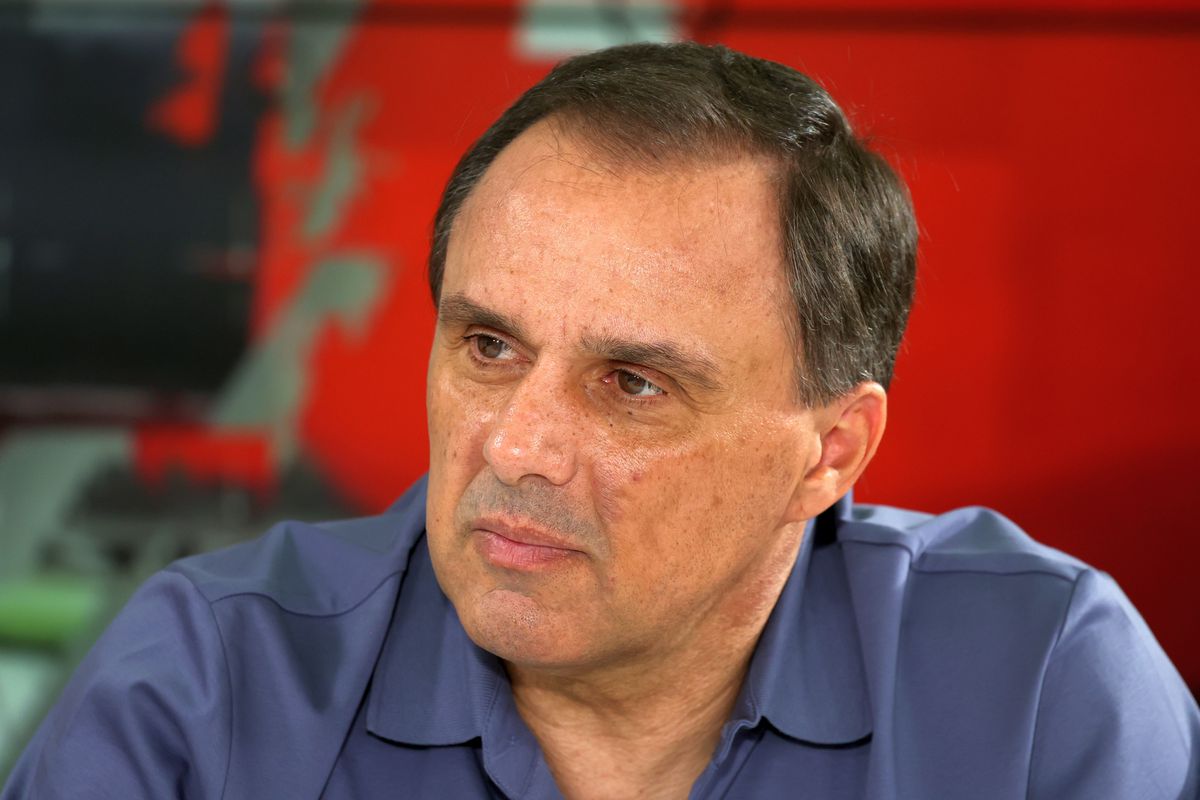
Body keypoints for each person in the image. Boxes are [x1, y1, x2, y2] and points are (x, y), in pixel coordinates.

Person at [4, 41, 1197, 800]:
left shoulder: (1042, 690)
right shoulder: (206, 687)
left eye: (632, 383)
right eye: (489, 346)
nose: (515, 446)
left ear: (830, 451)